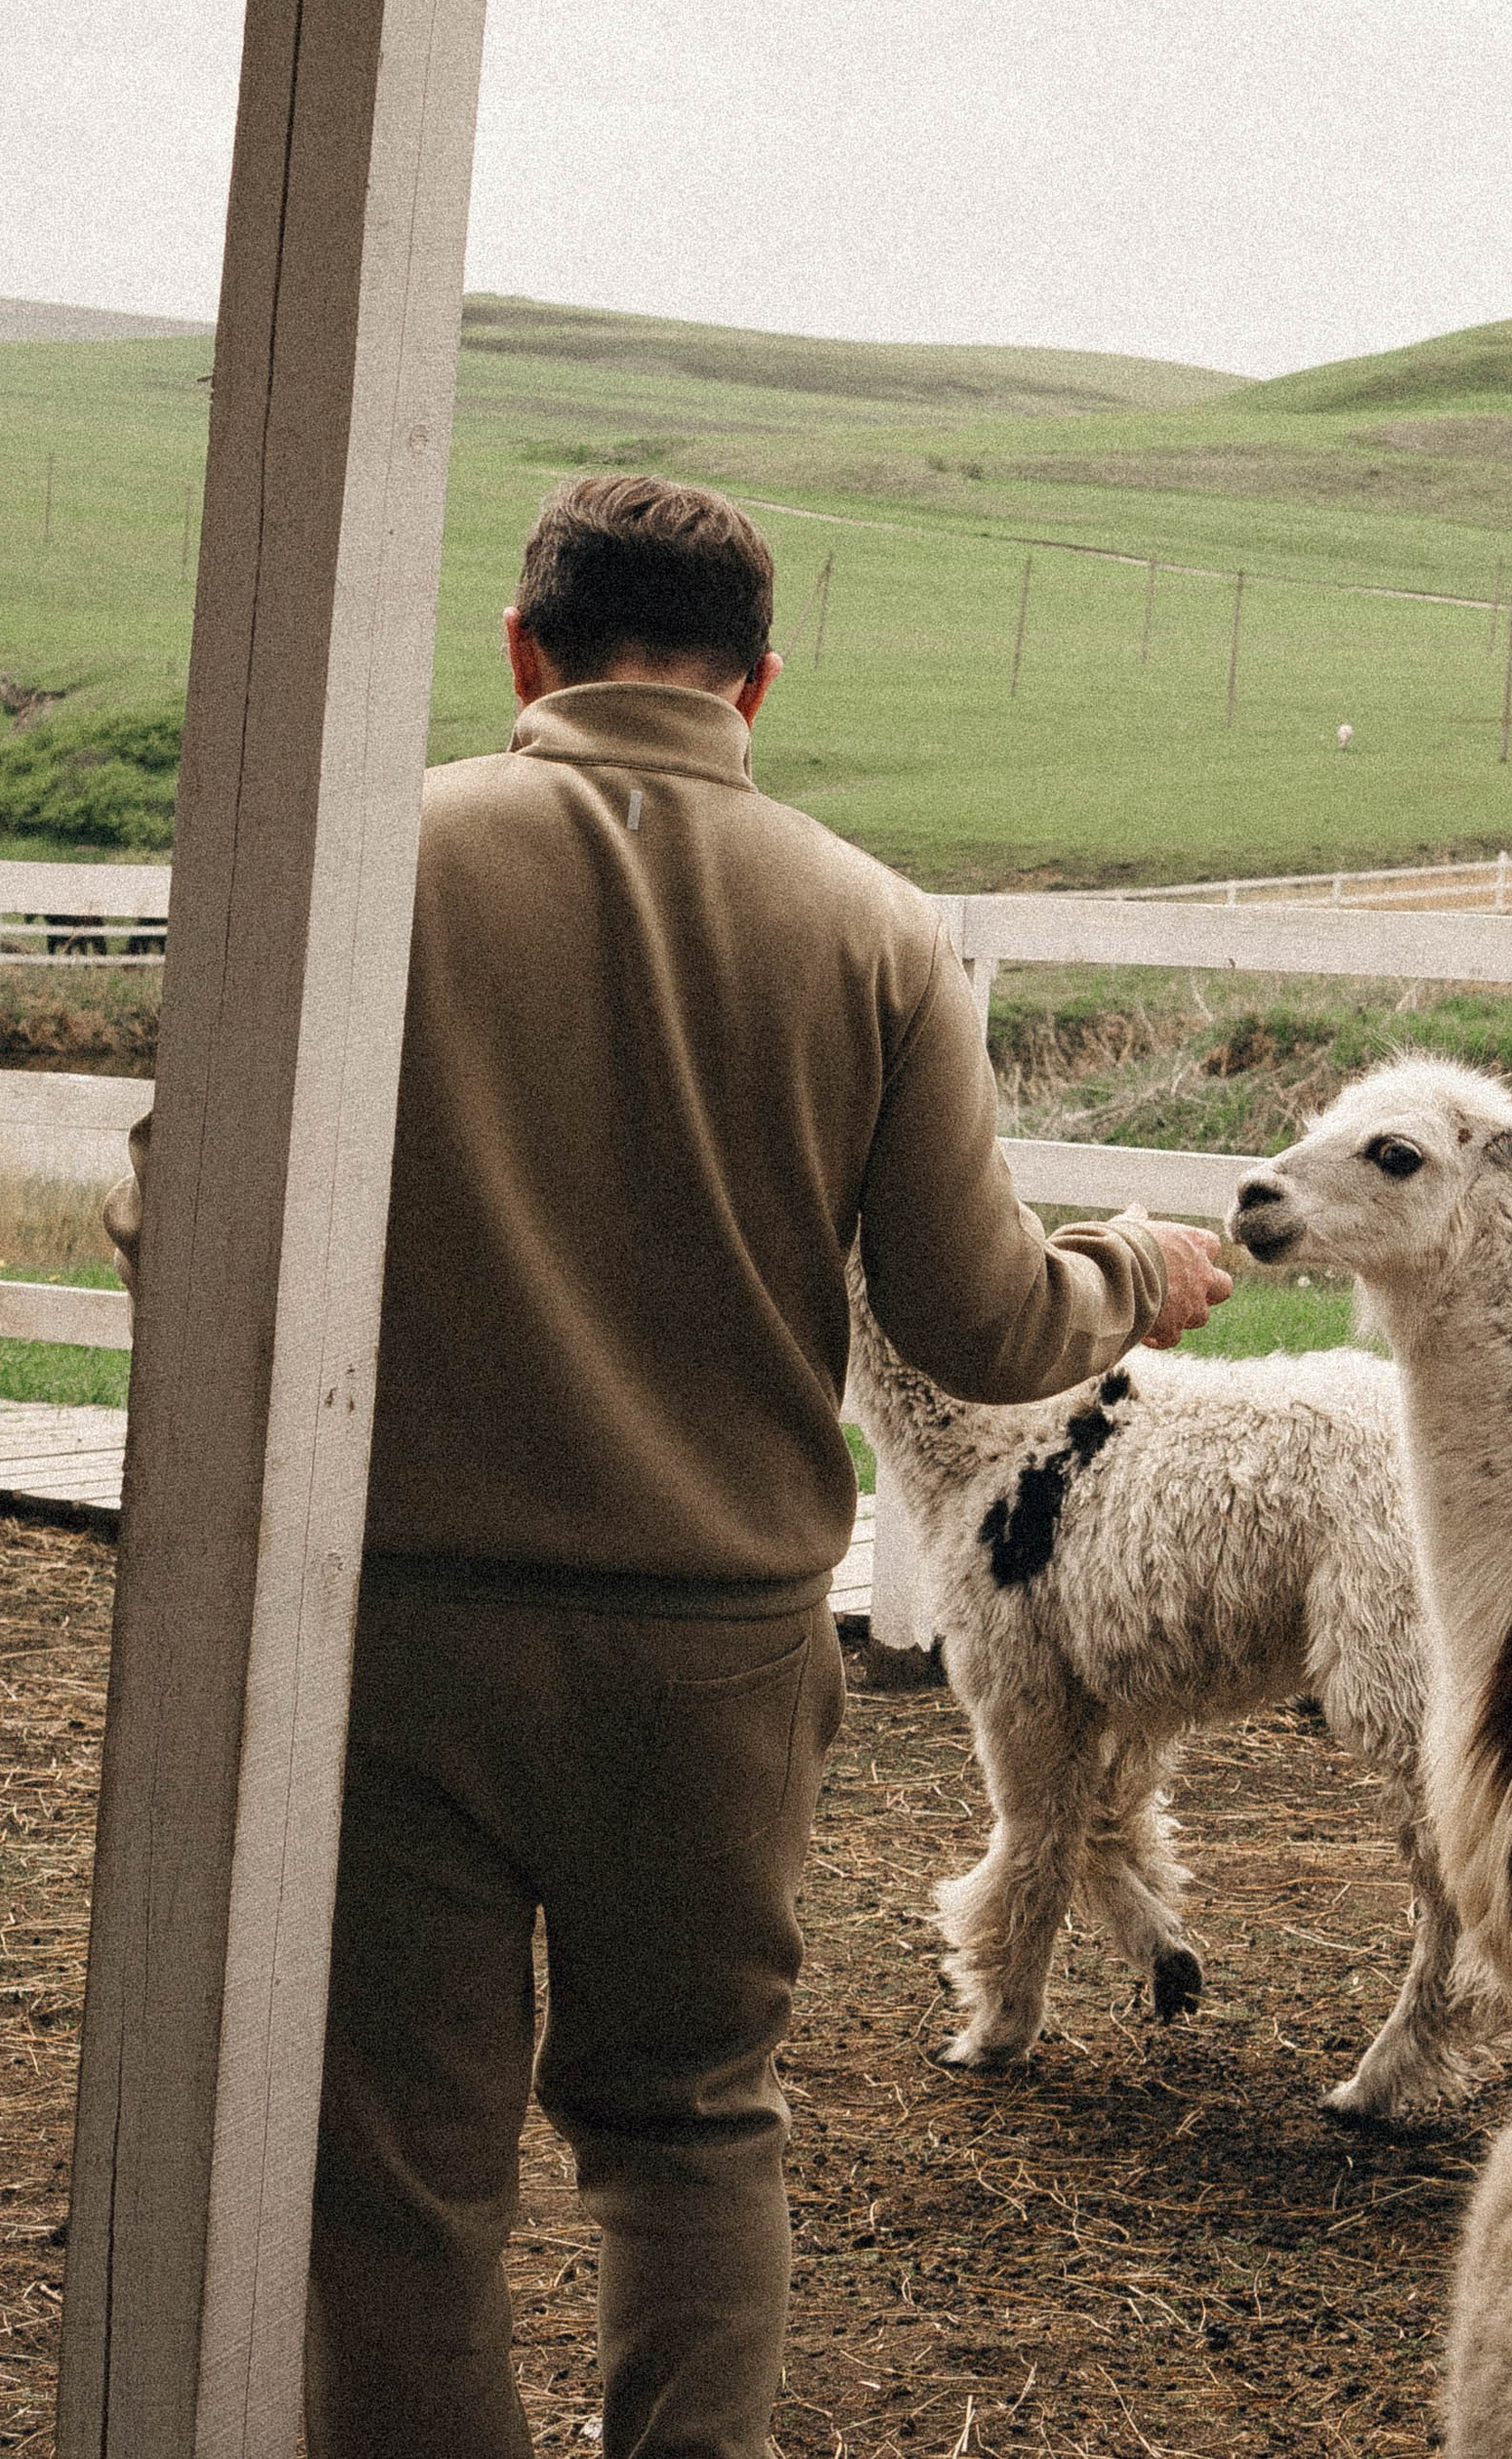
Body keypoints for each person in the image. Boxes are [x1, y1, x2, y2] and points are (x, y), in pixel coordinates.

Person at [115, 472, 1231, 2459]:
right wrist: (1127, 1272)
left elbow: (177, 1221)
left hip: (398, 1632)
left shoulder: (364, 865)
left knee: (398, 2175)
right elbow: (977, 1328)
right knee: (691, 2129)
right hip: (711, 1652)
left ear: (527, 651)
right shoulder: (871, 928)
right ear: (757, 685)